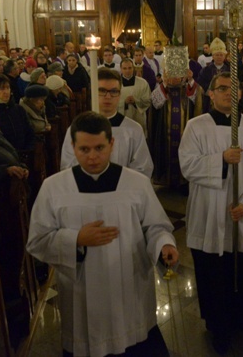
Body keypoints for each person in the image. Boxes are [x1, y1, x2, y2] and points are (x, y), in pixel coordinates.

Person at [27, 112, 178, 357]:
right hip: (82, 293)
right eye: (84, 149)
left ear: (112, 144)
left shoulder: (137, 183)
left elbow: (155, 226)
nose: (93, 156)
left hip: (129, 288)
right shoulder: (54, 188)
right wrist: (76, 240)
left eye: (99, 147)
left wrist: (164, 245)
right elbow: (37, 241)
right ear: (73, 147)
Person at [178, 72, 243, 353]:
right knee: (213, 275)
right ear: (210, 94)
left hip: (240, 214)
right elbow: (187, 166)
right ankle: (218, 326)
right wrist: (220, 159)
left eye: (233, 89)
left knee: (242, 271)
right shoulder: (196, 127)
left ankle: (241, 319)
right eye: (221, 89)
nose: (227, 94)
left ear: (240, 95)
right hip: (208, 213)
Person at [60, 68, 153, 178]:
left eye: (113, 91)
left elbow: (142, 168)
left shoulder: (133, 129)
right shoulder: (77, 129)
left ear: (119, 95)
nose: (108, 96)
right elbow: (68, 167)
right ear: (93, 92)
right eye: (102, 91)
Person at [0, 74, 36, 151]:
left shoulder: (18, 109)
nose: (6, 92)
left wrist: (28, 149)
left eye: (8, 88)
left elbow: (29, 131)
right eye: (2, 89)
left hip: (24, 154)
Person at [118, 58, 151, 136]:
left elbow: (148, 100)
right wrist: (124, 102)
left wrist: (136, 101)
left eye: (130, 68)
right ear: (121, 69)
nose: (127, 71)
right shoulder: (116, 83)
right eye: (124, 68)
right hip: (122, 118)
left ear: (133, 68)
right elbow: (112, 102)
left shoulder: (143, 83)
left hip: (138, 118)